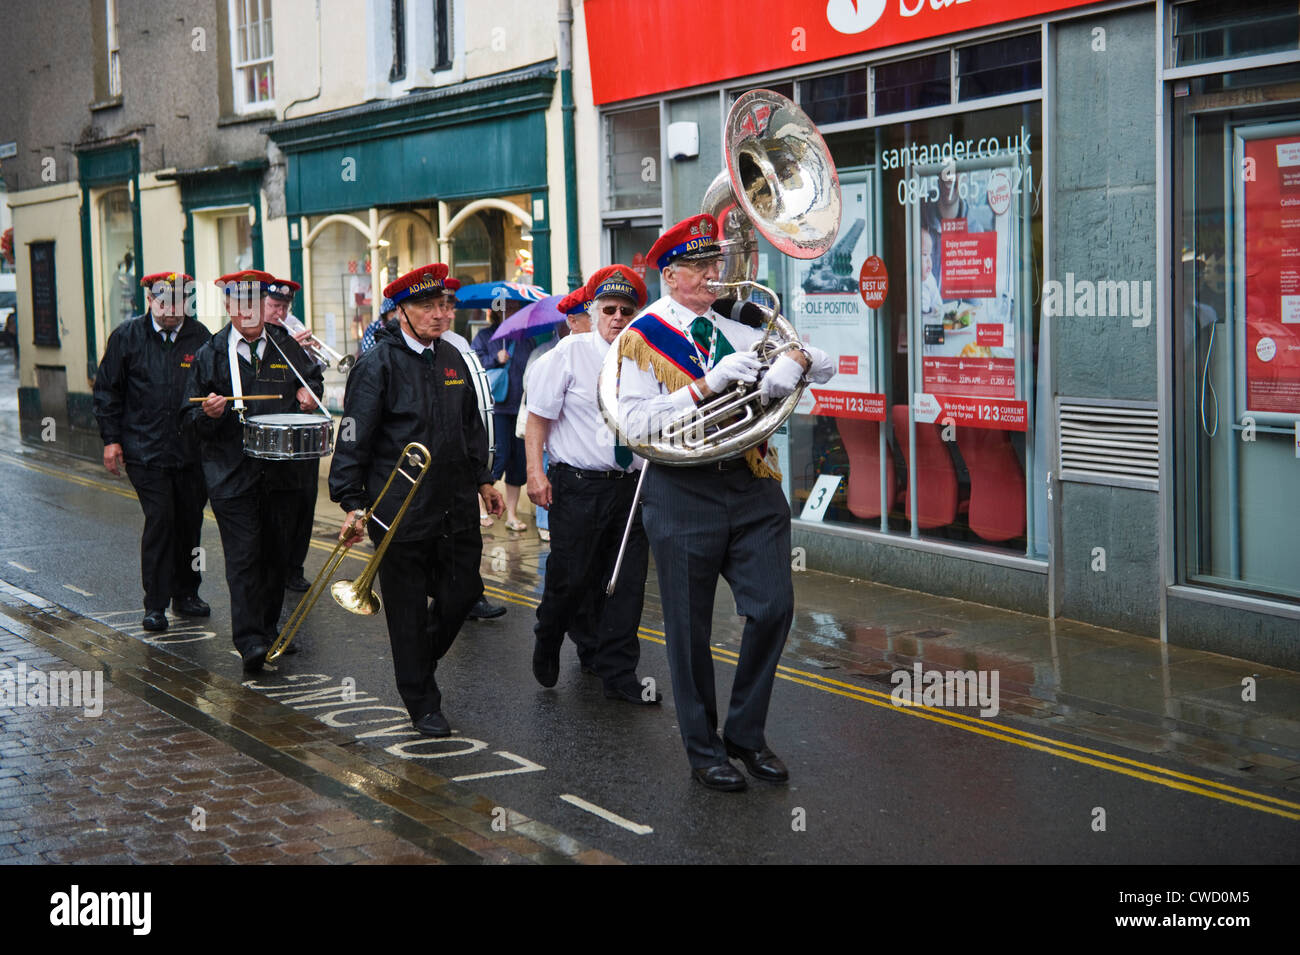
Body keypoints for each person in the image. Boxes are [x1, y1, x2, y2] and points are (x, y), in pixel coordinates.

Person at [616, 214, 835, 791]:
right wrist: (706, 386)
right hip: (682, 489)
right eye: (701, 267)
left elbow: (824, 361)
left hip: (752, 482)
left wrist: (798, 361)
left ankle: (745, 732)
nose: (716, 275)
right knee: (688, 630)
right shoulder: (640, 336)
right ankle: (703, 748)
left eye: (716, 264)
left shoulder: (739, 322)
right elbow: (634, 426)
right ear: (670, 275)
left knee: (773, 608)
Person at [330, 263, 504, 737]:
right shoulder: (377, 364)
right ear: (400, 311)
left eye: (444, 304)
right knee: (406, 609)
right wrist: (351, 501)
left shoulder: (451, 358)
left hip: (455, 505)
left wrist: (485, 480)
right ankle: (422, 701)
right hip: (399, 510)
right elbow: (353, 436)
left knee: (463, 592)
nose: (439, 313)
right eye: (427, 306)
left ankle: (415, 659)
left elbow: (469, 427)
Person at [181, 269, 325, 673]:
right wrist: (207, 414)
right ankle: (249, 641)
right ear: (228, 307)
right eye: (239, 304)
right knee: (244, 557)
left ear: (265, 305)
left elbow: (314, 380)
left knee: (277, 555)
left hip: (283, 474)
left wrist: (309, 395)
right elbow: (188, 418)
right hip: (231, 475)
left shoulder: (283, 346)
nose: (248, 312)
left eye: (255, 303)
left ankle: (268, 627)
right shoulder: (210, 354)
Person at [526, 265, 658, 704]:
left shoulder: (648, 356)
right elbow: (537, 420)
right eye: (609, 309)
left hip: (631, 488)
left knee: (625, 581)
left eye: (626, 310)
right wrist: (534, 473)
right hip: (578, 485)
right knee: (572, 578)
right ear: (593, 310)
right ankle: (550, 633)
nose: (618, 317)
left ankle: (619, 672)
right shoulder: (566, 355)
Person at [93, 271, 212, 632]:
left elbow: (215, 384)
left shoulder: (200, 337)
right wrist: (111, 441)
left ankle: (187, 593)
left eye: (179, 302)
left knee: (190, 522)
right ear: (149, 300)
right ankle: (156, 604)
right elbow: (107, 392)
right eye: (165, 302)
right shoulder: (127, 337)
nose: (172, 309)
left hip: (191, 451)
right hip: (145, 450)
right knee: (161, 520)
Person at [259, 276, 320, 594]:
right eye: (273, 306)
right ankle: (274, 566)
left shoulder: (292, 337)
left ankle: (295, 567)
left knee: (304, 502)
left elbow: (316, 381)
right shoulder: (255, 338)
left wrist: (310, 386)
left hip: (300, 437)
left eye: (284, 306)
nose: (279, 312)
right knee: (274, 509)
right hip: (269, 438)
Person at [472, 303, 536, 532]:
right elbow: (474, 364)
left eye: (515, 309)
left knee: (518, 462)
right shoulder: (485, 336)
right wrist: (495, 359)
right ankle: (480, 509)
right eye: (506, 308)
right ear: (496, 311)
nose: (510, 313)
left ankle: (512, 514)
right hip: (496, 409)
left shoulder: (525, 339)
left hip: (520, 409)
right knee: (498, 458)